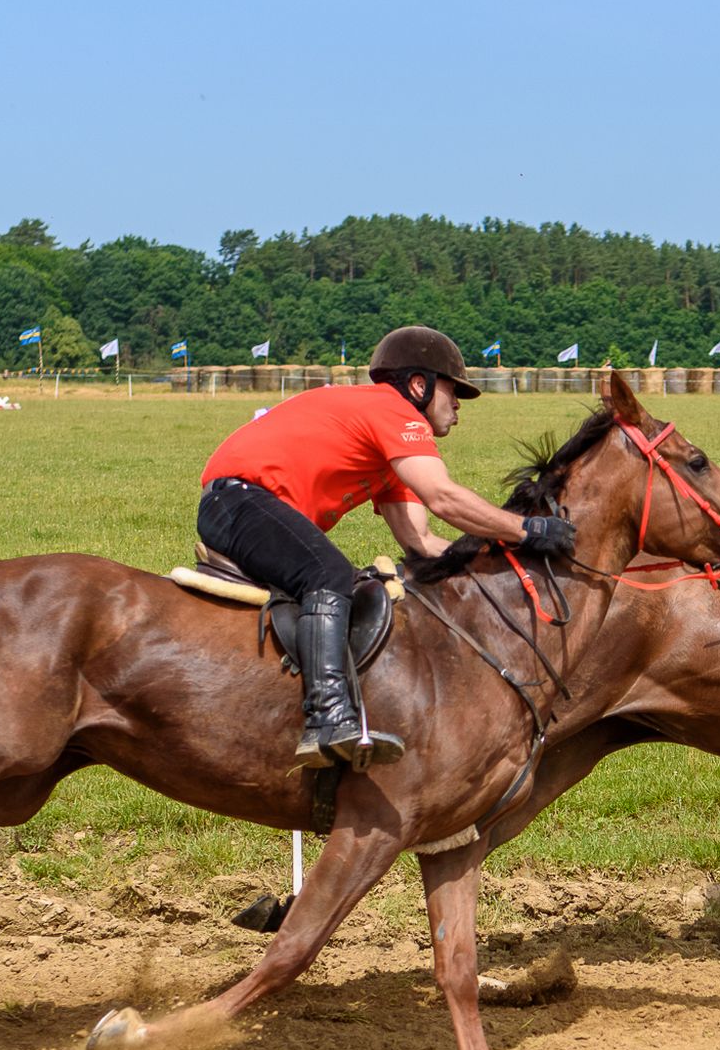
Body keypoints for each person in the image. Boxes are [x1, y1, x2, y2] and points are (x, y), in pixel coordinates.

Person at [196, 326, 573, 768]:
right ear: (419, 385)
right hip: (239, 500)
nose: (457, 405)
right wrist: (527, 530)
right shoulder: (394, 412)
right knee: (328, 574)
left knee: (333, 573)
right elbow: (443, 498)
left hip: (239, 502)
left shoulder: (389, 448)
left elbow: (421, 540)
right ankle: (326, 719)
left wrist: (499, 564)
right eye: (453, 391)